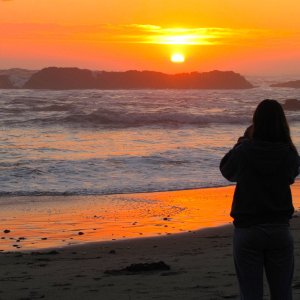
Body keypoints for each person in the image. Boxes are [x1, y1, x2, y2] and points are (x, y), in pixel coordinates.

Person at [220, 99, 300, 299]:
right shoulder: (288, 152)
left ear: (256, 122)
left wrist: (242, 142)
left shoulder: (245, 150)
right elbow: (291, 175)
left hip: (248, 229)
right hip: (279, 229)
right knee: (283, 293)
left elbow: (227, 171)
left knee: (250, 293)